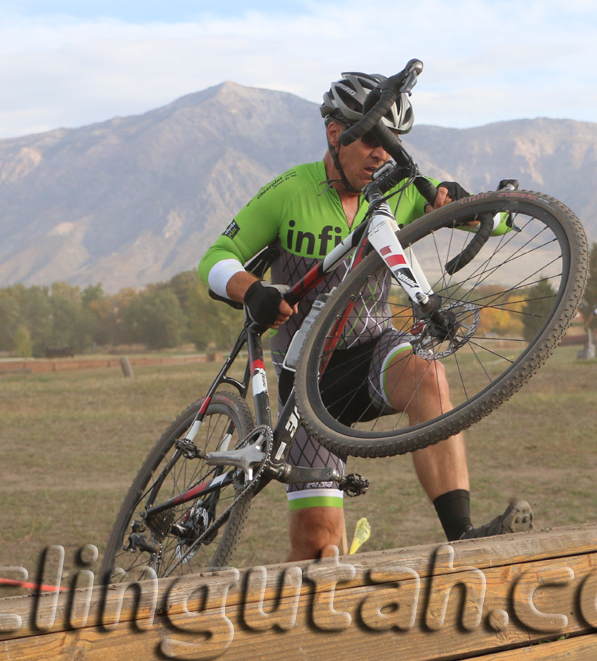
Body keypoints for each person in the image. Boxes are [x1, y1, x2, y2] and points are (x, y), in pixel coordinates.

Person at [199, 70, 532, 561]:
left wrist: (496, 210)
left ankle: (462, 535)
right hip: (306, 380)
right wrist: (252, 291)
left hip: (375, 350)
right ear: (336, 134)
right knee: (319, 546)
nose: (383, 153)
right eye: (372, 139)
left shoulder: (398, 188)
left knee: (428, 375)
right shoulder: (290, 191)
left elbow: (461, 210)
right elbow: (216, 257)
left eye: (392, 141)